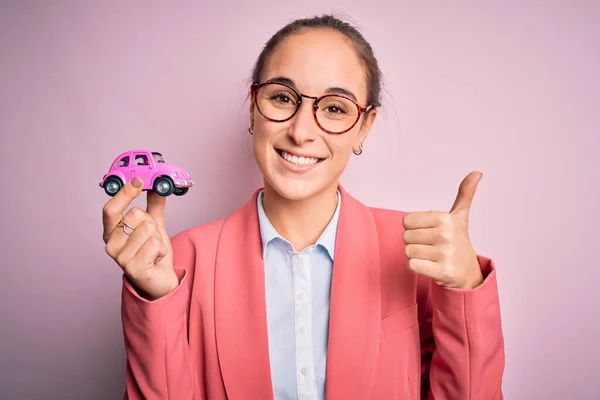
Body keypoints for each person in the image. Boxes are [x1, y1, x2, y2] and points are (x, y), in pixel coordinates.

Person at [102, 14, 505, 400]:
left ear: (365, 126)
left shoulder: (418, 252)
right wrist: (154, 301)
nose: (300, 131)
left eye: (334, 108)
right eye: (282, 98)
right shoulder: (180, 261)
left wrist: (466, 290)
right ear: (252, 106)